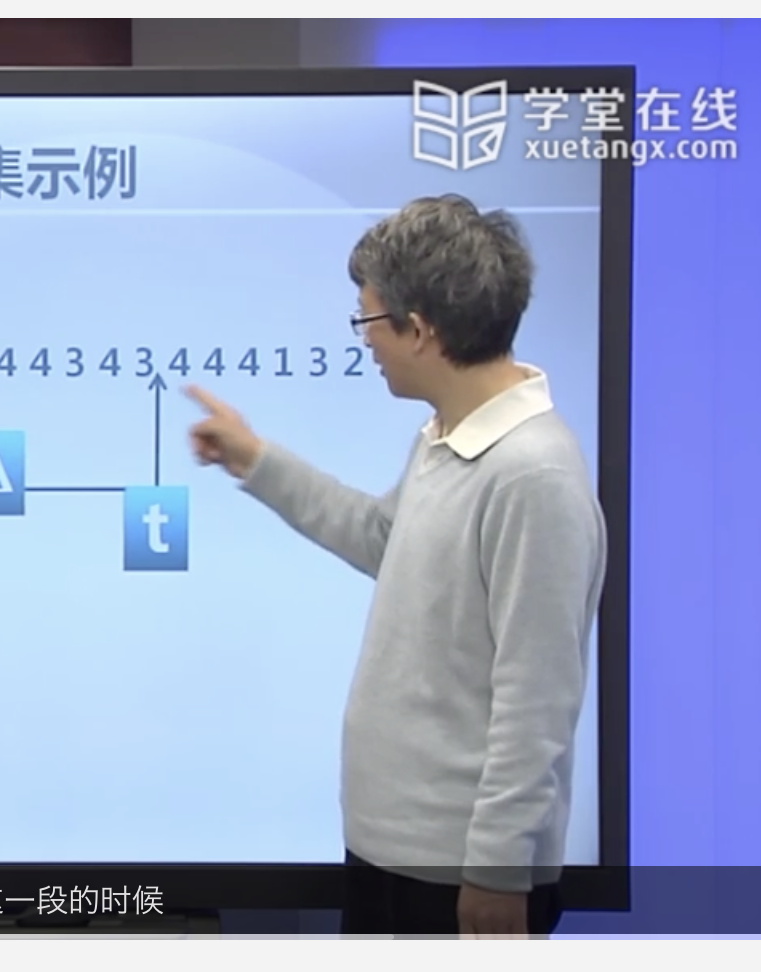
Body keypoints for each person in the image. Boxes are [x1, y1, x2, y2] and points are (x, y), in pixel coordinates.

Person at [185, 194, 606, 939]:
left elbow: (537, 698)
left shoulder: (532, 476)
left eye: (369, 320)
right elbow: (385, 537)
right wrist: (255, 460)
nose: (366, 342)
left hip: (458, 877)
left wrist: (498, 870)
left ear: (422, 327)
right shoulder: (443, 438)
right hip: (392, 850)